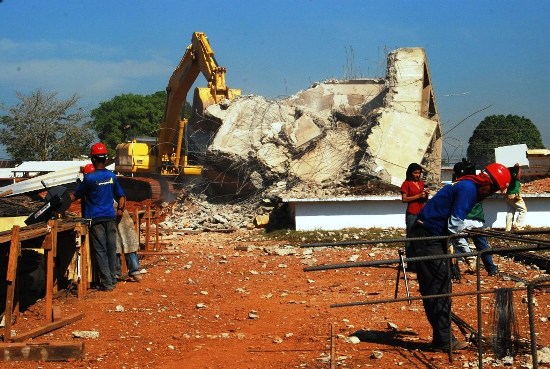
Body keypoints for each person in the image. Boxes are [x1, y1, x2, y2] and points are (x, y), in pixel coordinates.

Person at [410, 162, 511, 352]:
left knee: (440, 284)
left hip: (430, 234)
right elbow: (454, 224)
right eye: (493, 190)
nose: (490, 194)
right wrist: (470, 234)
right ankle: (443, 341)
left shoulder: (466, 184)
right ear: (487, 182)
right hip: (428, 236)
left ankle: (443, 337)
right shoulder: (469, 189)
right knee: (438, 286)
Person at [73, 143, 126, 291]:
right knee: (110, 249)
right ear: (105, 158)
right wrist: (120, 211)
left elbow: (76, 195)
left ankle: (107, 284)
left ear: (93, 159)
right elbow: (121, 196)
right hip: (110, 217)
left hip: (95, 219)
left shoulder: (89, 178)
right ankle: (113, 280)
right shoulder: (112, 176)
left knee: (100, 251)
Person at [452, 159, 499, 276]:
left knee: (458, 246)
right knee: (483, 247)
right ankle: (492, 269)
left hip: (462, 220)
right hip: (476, 221)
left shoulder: (458, 185)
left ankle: (455, 271)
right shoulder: (477, 185)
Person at [400, 163, 430, 260]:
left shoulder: (422, 184)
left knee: (422, 235)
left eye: (419, 173)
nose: (417, 175)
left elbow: (425, 199)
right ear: (410, 173)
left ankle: (420, 259)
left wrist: (426, 195)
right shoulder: (406, 184)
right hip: (412, 213)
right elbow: (404, 199)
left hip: (422, 212)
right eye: (415, 173)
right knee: (411, 236)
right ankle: (410, 260)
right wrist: (418, 196)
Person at [505, 163, 527, 231]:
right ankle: (518, 226)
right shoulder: (513, 170)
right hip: (514, 195)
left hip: (509, 194)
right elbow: (518, 177)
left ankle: (508, 230)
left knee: (510, 212)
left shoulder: (509, 169)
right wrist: (519, 168)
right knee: (523, 210)